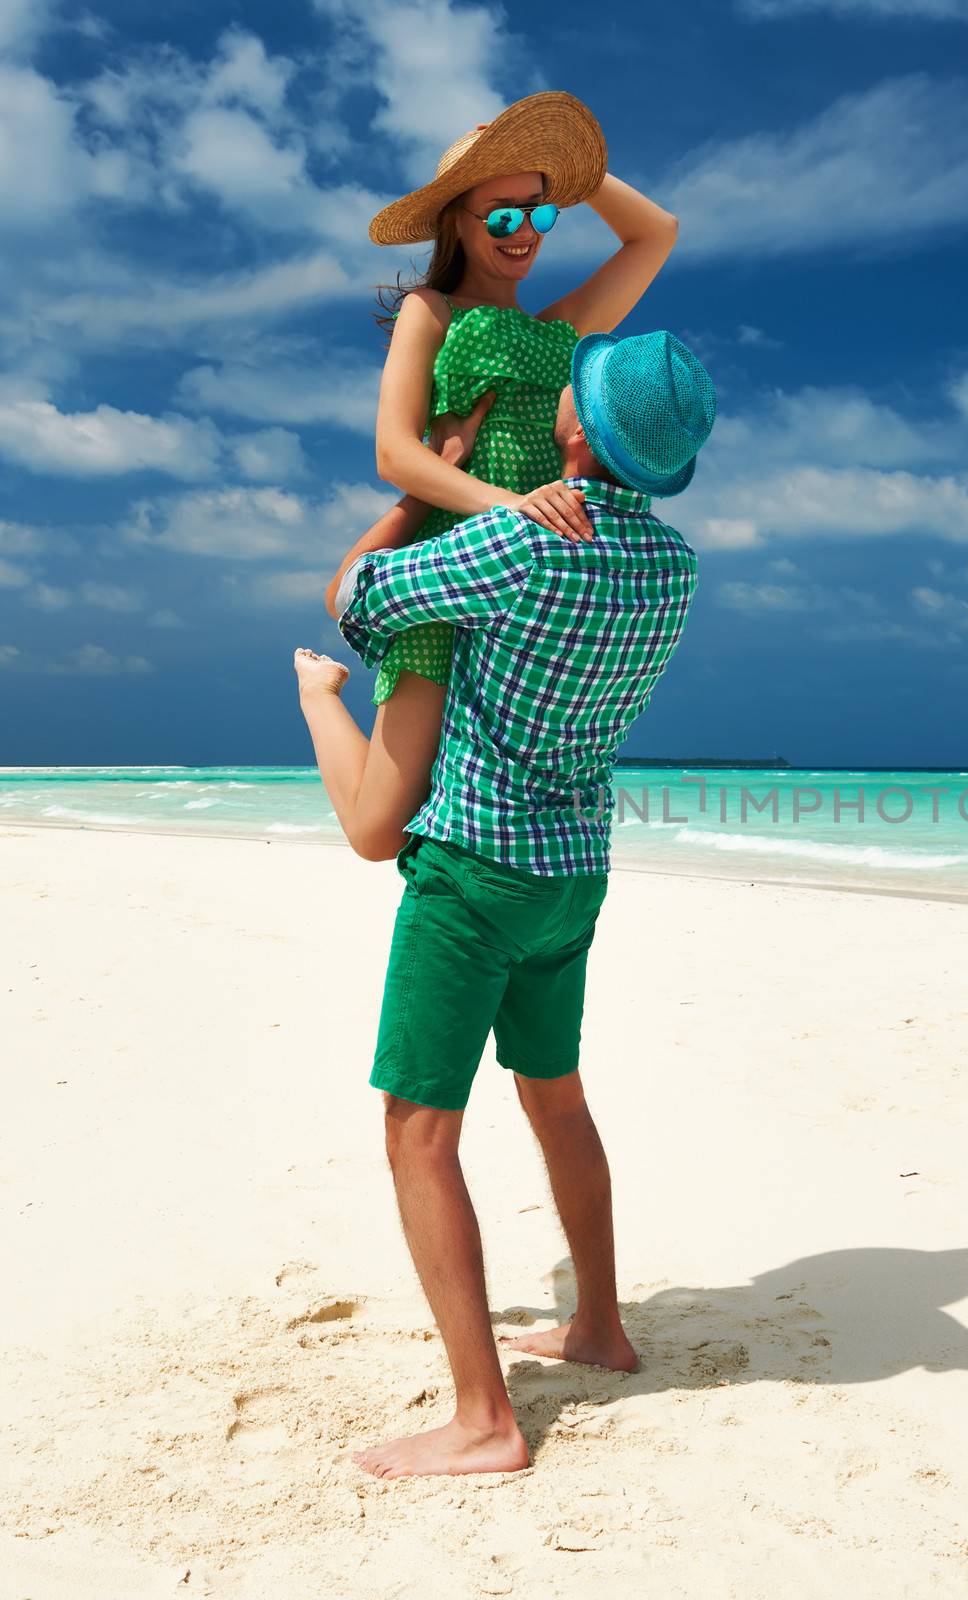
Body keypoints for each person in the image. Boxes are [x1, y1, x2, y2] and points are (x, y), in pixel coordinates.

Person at [301, 328, 715, 1480]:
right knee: (557, 1100)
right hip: (573, 867)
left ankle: (485, 1418)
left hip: (478, 865)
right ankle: (600, 1326)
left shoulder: (520, 545)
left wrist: (425, 472)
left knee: (418, 1132)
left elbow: (355, 596)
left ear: (572, 430)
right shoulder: (674, 566)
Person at [294, 90, 679, 859]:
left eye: (539, 214)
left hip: (532, 591)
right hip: (454, 567)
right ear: (457, 223)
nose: (524, 233)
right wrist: (511, 506)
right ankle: (317, 693)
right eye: (501, 215)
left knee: (496, 803)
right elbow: (394, 454)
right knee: (378, 833)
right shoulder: (430, 311)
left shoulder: (561, 331)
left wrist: (561, 168)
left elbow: (655, 233)